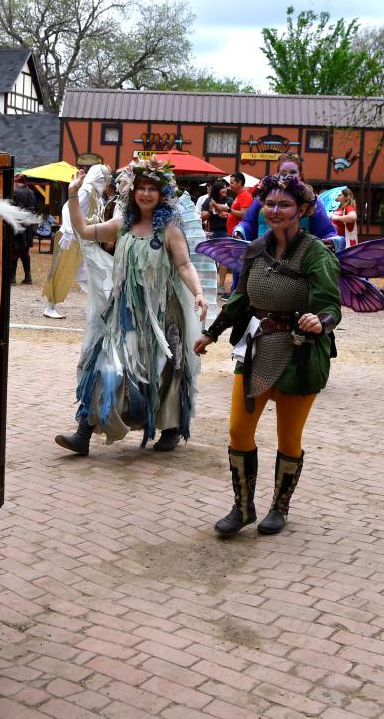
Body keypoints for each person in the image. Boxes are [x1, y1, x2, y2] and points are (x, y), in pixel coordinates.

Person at [195, 174, 341, 536]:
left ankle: (279, 506)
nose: (275, 210)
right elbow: (241, 297)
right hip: (257, 346)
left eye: (285, 204)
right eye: (270, 204)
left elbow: (331, 306)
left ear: (303, 209)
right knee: (237, 430)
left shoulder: (316, 253)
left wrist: (318, 320)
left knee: (288, 437)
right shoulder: (256, 248)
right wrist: (212, 332)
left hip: (301, 352)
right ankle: (242, 507)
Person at [54, 158, 209, 455]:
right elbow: (84, 231)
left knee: (166, 369)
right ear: (132, 192)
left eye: (153, 188)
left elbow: (185, 264)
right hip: (123, 314)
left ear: (162, 194)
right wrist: (74, 196)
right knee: (104, 366)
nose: (146, 193)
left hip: (163, 314)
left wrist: (199, 293)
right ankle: (83, 432)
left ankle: (171, 427)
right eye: (141, 187)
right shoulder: (121, 227)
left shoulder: (169, 230)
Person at [233, 153, 342, 250]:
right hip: (263, 257)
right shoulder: (262, 198)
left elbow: (326, 232)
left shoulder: (312, 201)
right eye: (283, 172)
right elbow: (248, 223)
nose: (288, 176)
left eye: (293, 172)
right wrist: (240, 232)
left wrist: (332, 241)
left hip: (299, 260)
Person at [42, 165, 109, 319]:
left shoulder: (95, 194)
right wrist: (68, 230)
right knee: (63, 270)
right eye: (105, 179)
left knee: (92, 272)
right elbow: (68, 209)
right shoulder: (86, 191)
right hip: (71, 237)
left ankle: (100, 306)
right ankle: (50, 306)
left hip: (82, 239)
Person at [201, 180, 231, 294]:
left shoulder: (229, 201)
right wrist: (210, 210)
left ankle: (221, 285)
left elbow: (231, 215)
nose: (225, 189)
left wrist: (220, 210)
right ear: (217, 189)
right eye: (223, 187)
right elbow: (202, 217)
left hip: (225, 232)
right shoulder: (208, 201)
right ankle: (210, 284)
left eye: (225, 187)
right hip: (212, 232)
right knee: (210, 259)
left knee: (223, 260)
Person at [11, 174, 37, 284]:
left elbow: (12, 209)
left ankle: (12, 279)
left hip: (17, 225)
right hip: (28, 226)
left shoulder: (15, 192)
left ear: (16, 182)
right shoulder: (31, 192)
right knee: (25, 253)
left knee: (14, 252)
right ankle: (28, 277)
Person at [226, 172, 254, 239]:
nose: (230, 185)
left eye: (232, 183)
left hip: (238, 235)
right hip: (234, 233)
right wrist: (227, 214)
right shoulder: (239, 195)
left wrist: (228, 210)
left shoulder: (245, 196)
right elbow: (236, 213)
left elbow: (244, 214)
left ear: (240, 183)